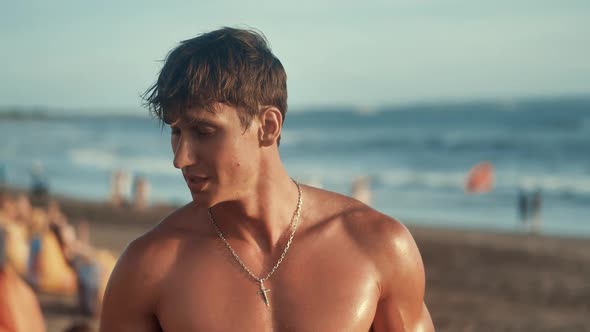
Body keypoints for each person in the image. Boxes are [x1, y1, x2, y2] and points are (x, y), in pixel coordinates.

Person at [99, 27, 433, 331]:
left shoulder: (377, 246)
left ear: (268, 126)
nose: (180, 158)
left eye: (203, 131)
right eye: (176, 132)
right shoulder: (149, 267)